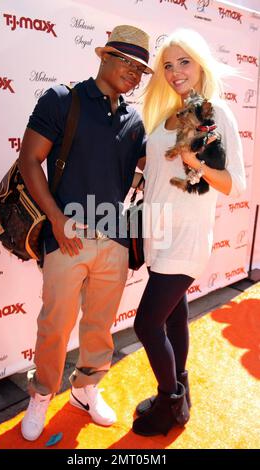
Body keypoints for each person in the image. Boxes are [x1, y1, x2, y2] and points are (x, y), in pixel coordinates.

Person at [18, 24, 153, 441]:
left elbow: (149, 166)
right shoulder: (63, 100)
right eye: (128, 63)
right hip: (67, 235)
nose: (134, 74)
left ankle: (85, 389)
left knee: (99, 325)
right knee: (55, 324)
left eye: (141, 69)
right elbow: (29, 161)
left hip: (114, 240)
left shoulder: (134, 118)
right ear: (105, 57)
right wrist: (57, 220)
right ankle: (42, 394)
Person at [132, 28, 246, 437]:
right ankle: (181, 390)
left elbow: (236, 184)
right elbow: (160, 173)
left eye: (184, 62)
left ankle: (169, 401)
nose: (176, 72)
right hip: (157, 234)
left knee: (146, 324)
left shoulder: (216, 112)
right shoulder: (166, 115)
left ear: (200, 64)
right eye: (168, 65)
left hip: (187, 237)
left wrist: (193, 162)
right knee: (174, 316)